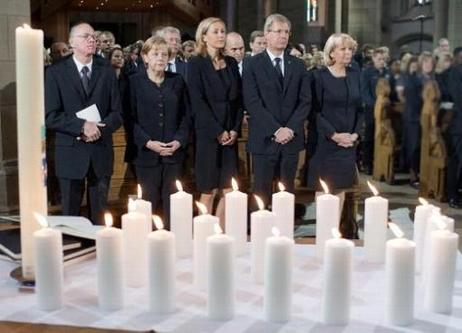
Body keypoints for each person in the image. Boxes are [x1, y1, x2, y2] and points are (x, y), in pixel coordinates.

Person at [45, 22, 122, 225]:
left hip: (100, 150)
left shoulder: (106, 71)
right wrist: (82, 126)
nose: (91, 40)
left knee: (100, 217)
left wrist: (98, 128)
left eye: (93, 37)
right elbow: (50, 115)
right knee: (70, 217)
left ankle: (100, 254)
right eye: (85, 36)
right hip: (70, 153)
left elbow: (117, 113)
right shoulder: (56, 73)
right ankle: (72, 252)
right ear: (72, 42)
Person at [243, 13, 310, 206]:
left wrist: (290, 129)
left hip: (291, 139)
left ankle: (284, 231)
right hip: (264, 139)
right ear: (267, 34)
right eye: (278, 31)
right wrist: (276, 129)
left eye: (287, 32)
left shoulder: (298, 65)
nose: (283, 36)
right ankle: (260, 231)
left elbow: (305, 101)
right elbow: (252, 102)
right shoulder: (252, 64)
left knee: (286, 191)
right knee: (261, 191)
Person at [187, 17, 243, 227]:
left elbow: (238, 100)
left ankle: (218, 233)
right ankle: (203, 236)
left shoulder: (230, 62)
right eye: (216, 31)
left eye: (223, 31)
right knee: (208, 190)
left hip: (230, 134)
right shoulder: (196, 64)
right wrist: (218, 131)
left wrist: (234, 130)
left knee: (229, 191)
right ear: (204, 36)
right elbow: (197, 101)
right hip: (208, 135)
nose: (221, 35)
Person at [129, 36, 190, 227]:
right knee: (148, 203)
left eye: (164, 54)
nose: (161, 58)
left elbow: (187, 115)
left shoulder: (177, 81)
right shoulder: (133, 82)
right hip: (145, 154)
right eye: (155, 54)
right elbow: (129, 119)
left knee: (173, 205)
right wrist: (148, 142)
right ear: (145, 57)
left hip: (174, 153)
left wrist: (179, 140)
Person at [306, 33, 362, 238]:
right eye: (343, 49)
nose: (348, 52)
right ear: (331, 52)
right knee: (326, 190)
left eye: (350, 49)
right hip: (325, 143)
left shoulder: (355, 74)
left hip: (348, 143)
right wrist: (334, 135)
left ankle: (333, 235)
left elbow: (360, 109)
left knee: (341, 189)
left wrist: (355, 135)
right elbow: (314, 112)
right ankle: (323, 236)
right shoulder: (318, 76)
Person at [401, 52, 435, 187]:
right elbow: (413, 99)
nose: (428, 65)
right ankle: (413, 175)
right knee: (414, 146)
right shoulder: (412, 78)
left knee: (425, 146)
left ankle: (425, 174)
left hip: (428, 117)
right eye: (425, 62)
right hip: (414, 117)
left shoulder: (433, 78)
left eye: (431, 62)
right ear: (421, 64)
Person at [360, 48, 390, 174]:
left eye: (383, 59)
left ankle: (381, 162)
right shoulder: (367, 72)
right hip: (371, 110)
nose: (382, 62)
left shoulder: (388, 73)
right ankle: (367, 163)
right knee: (369, 137)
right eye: (379, 59)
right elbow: (364, 91)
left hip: (385, 111)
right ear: (373, 59)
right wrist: (374, 105)